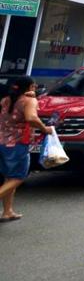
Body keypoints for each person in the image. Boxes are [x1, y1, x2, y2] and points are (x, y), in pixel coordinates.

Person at [0, 77, 53, 222]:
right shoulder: (29, 101)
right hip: (17, 144)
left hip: (2, 142)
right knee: (18, 177)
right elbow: (31, 118)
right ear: (30, 86)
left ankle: (7, 211)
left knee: (9, 178)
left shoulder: (5, 100)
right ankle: (7, 210)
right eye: (34, 86)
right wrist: (44, 129)